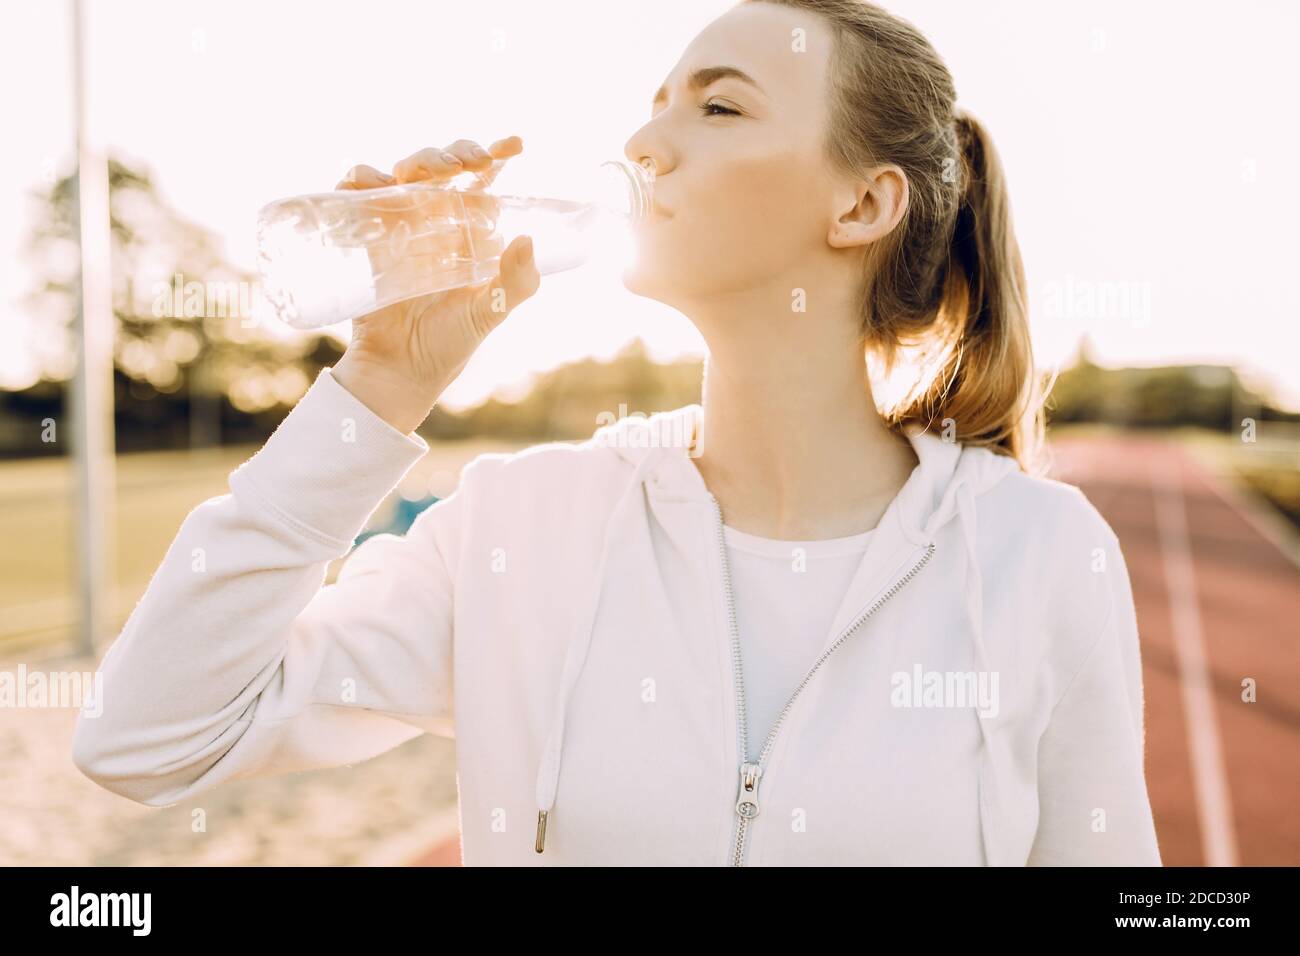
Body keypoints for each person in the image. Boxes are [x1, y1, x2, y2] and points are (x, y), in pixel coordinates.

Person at [72, 0, 1161, 866]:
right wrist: (378, 386)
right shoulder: (519, 528)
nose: (643, 143)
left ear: (863, 206)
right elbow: (149, 736)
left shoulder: (1036, 553)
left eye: (718, 108)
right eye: (654, 106)